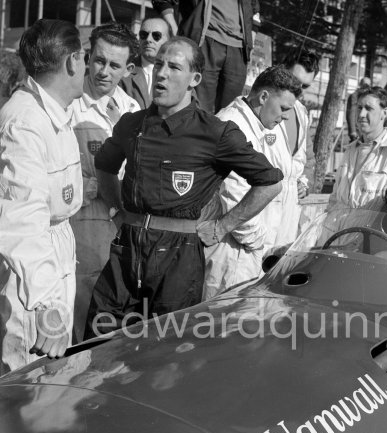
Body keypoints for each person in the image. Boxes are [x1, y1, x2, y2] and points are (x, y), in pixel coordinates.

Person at [83, 37, 282, 338]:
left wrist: (222, 226)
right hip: (125, 255)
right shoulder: (131, 124)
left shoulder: (215, 133)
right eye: (159, 64)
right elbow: (106, 166)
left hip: (178, 261)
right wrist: (116, 210)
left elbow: (270, 182)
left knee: (163, 361)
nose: (161, 73)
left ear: (195, 79)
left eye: (174, 67)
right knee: (95, 347)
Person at [0, 19, 85, 373]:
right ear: (71, 62)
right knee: (29, 381)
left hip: (55, 261)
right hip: (30, 284)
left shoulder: (53, 111)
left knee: (54, 382)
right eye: (84, 59)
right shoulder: (25, 122)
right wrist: (48, 305)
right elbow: (22, 222)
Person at [201, 66, 302, 299]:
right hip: (236, 252)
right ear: (264, 96)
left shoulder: (263, 121)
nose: (286, 116)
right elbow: (234, 194)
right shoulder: (230, 124)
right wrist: (261, 243)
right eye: (284, 108)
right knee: (224, 324)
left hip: (257, 249)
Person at [70, 23, 141, 342]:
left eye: (114, 65)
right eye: (99, 60)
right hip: (78, 229)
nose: (104, 71)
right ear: (88, 57)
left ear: (128, 69)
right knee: (77, 323)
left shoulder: (133, 111)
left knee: (111, 332)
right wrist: (98, 185)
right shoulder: (69, 105)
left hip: (121, 231)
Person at [282, 49, 320, 193]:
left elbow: (309, 160)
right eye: (294, 81)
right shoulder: (257, 106)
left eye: (305, 86)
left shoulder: (302, 113)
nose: (298, 89)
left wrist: (305, 184)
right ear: (282, 70)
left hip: (288, 205)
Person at [120, 17, 171, 109]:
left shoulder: (180, 73)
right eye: (144, 35)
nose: (148, 39)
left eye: (156, 36)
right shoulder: (124, 72)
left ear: (168, 41)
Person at [346, 76, 372, 142]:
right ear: (360, 84)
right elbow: (351, 114)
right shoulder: (355, 96)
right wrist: (353, 131)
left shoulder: (371, 96)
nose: (366, 87)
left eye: (367, 85)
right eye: (364, 84)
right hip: (357, 131)